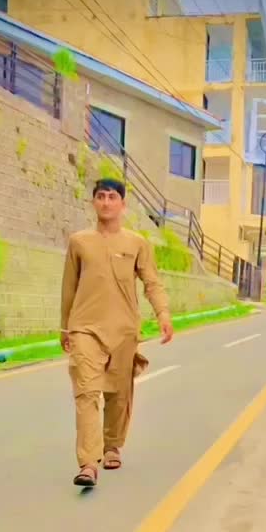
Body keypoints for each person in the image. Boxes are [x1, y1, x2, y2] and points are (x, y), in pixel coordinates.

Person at [60, 178, 173, 488]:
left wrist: (163, 314)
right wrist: (65, 326)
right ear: (93, 202)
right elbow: (69, 287)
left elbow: (152, 282)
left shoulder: (137, 244)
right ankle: (88, 463)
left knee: (118, 393)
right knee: (86, 392)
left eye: (112, 197)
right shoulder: (79, 242)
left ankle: (112, 445)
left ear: (123, 204)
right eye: (100, 196)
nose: (106, 202)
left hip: (124, 330)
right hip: (85, 328)